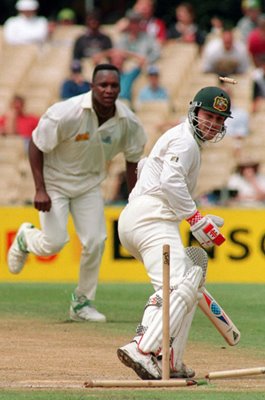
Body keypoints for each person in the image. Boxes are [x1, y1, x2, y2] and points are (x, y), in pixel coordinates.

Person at [7, 64, 147, 323]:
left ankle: (82, 303)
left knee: (96, 242)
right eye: (103, 85)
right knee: (54, 242)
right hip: (54, 183)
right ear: (92, 86)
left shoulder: (128, 121)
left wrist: (136, 198)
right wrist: (40, 188)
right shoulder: (65, 113)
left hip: (89, 185)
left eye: (113, 85)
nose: (108, 90)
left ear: (120, 88)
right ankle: (26, 238)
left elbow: (133, 159)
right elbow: (36, 146)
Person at [116, 86, 231, 380]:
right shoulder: (185, 142)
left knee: (187, 285)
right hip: (151, 219)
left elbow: (148, 171)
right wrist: (194, 218)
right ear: (194, 111)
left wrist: (197, 217)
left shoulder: (180, 140)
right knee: (180, 285)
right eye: (209, 115)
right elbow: (169, 181)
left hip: (138, 218)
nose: (213, 124)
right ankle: (142, 348)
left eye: (220, 120)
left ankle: (171, 360)